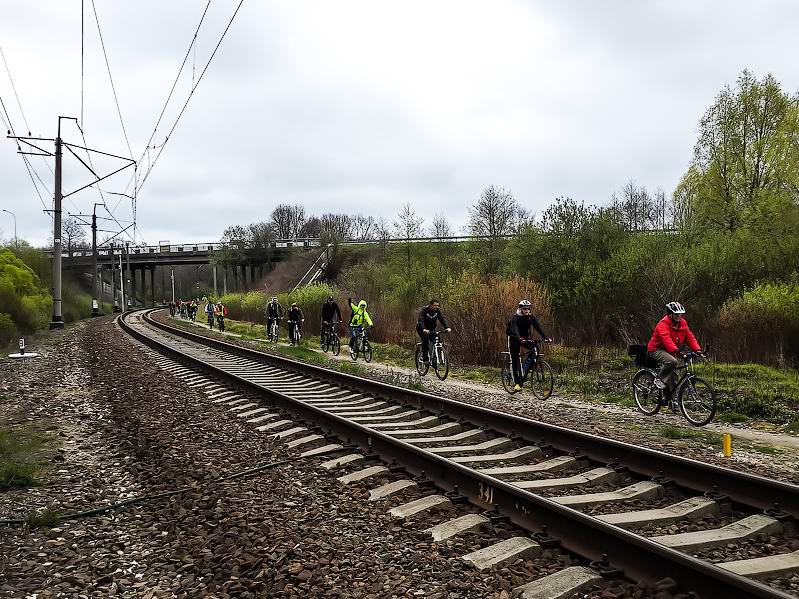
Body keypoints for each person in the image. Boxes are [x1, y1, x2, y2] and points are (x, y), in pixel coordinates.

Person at [647, 302, 702, 396]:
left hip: (670, 351)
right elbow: (666, 339)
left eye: (680, 314)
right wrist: (676, 351)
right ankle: (659, 380)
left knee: (673, 376)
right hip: (656, 349)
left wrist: (697, 350)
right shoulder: (663, 324)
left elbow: (690, 337)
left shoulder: (682, 324)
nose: (679, 316)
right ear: (670, 314)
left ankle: (672, 402)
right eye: (676, 314)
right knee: (672, 362)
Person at [507, 300, 552, 392]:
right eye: (525, 309)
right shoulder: (515, 318)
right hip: (514, 338)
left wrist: (545, 337)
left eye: (528, 308)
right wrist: (519, 339)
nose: (527, 310)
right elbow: (515, 329)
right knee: (515, 359)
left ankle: (526, 368)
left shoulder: (530, 317)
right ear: (520, 309)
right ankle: (516, 383)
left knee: (535, 348)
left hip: (524, 338)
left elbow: (538, 327)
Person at [416, 299, 451, 364]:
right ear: (431, 305)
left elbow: (442, 319)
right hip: (422, 328)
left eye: (438, 305)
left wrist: (447, 327)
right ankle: (425, 358)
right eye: (435, 305)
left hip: (431, 329)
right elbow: (421, 320)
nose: (437, 307)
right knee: (425, 340)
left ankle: (434, 359)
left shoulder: (438, 311)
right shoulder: (424, 310)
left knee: (435, 340)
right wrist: (423, 328)